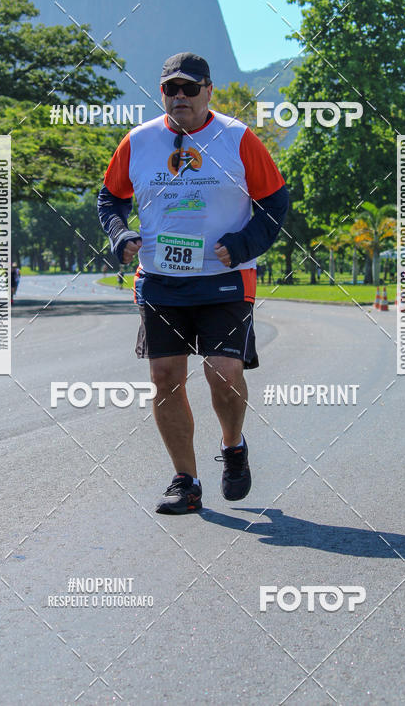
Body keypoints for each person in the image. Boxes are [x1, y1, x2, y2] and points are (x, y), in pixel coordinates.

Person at [98, 52, 289, 515]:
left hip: (225, 278)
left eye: (189, 88)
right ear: (161, 92)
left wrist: (244, 244)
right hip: (161, 278)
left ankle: (233, 444)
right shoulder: (138, 141)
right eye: (170, 89)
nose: (179, 97)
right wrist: (120, 234)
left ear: (209, 90)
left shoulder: (239, 139)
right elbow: (110, 199)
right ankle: (186, 481)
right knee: (165, 378)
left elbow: (275, 202)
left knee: (223, 373)